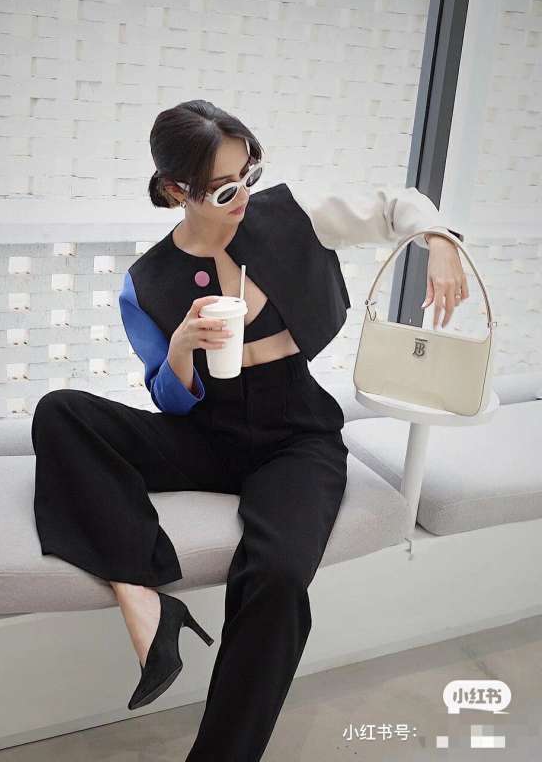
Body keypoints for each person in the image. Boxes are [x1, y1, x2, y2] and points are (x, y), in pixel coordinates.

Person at [31, 99, 468, 761]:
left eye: (249, 175)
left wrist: (439, 241)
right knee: (60, 412)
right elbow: (169, 400)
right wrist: (180, 348)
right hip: (206, 435)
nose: (242, 197)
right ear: (177, 191)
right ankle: (139, 591)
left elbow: (394, 206)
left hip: (297, 435)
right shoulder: (145, 283)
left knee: (279, 575)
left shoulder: (291, 216)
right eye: (224, 189)